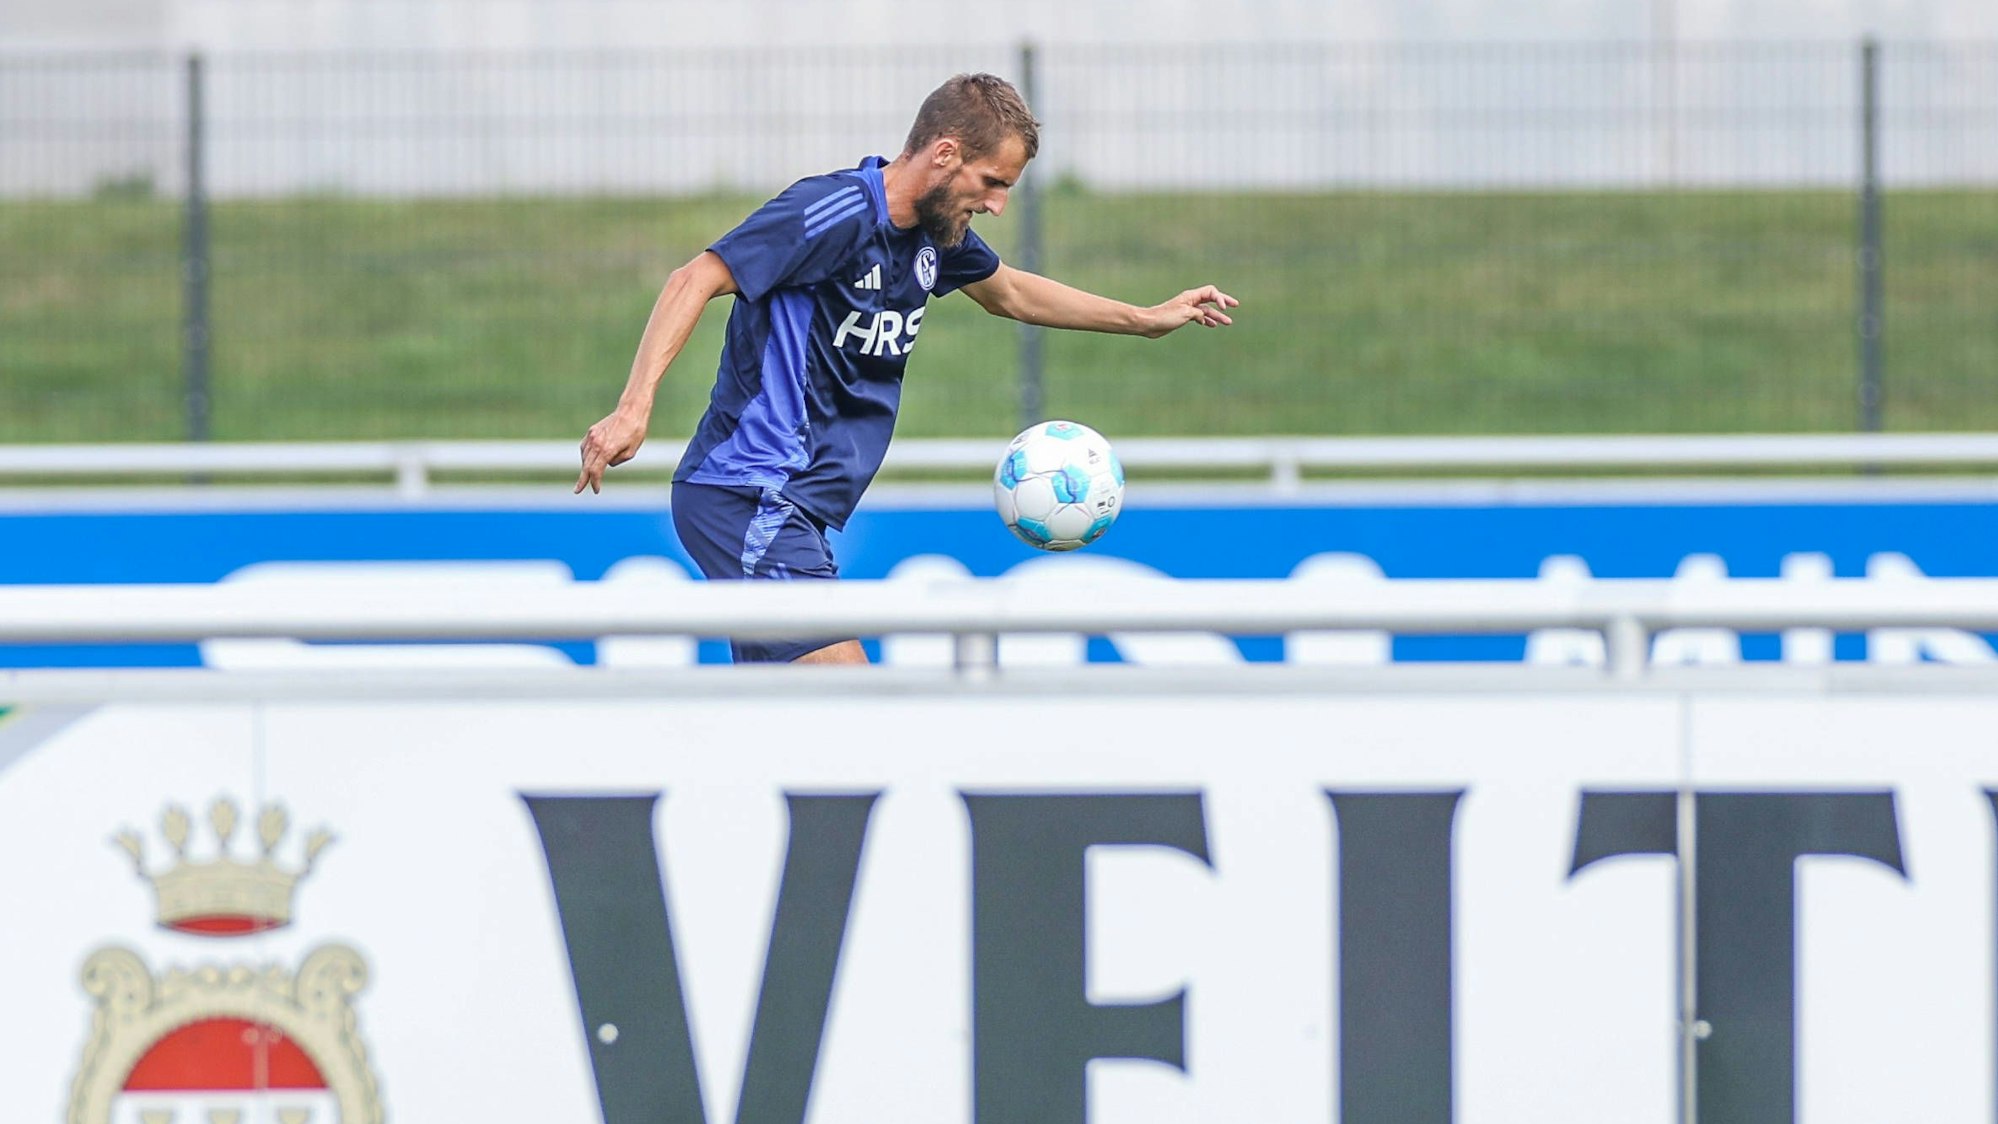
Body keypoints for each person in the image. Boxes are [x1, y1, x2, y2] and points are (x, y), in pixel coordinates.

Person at [574, 72, 1236, 665]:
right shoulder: (832, 212)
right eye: (993, 183)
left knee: (790, 736)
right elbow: (694, 278)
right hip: (749, 492)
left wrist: (1145, 318)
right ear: (945, 154)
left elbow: (1010, 292)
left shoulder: (933, 234)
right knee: (860, 713)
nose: (998, 206)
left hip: (796, 510)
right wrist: (635, 407)